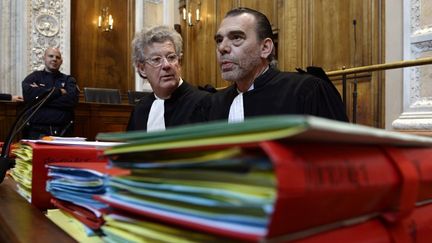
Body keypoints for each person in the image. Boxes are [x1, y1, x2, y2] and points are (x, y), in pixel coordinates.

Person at [196, 7, 348, 123]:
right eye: (219, 40)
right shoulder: (212, 104)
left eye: (236, 37)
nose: (222, 48)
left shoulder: (307, 91)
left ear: (265, 48)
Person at [127, 25, 209, 132]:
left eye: (171, 57)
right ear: (142, 68)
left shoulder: (203, 102)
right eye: (156, 59)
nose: (166, 65)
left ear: (179, 62)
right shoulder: (140, 110)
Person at [21, 47, 79, 139]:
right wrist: (59, 92)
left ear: (61, 61)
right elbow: (29, 97)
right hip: (36, 131)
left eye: (57, 57)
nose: (54, 59)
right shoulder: (33, 77)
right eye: (51, 56)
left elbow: (71, 101)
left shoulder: (68, 80)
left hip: (63, 131)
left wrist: (41, 97)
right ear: (44, 58)